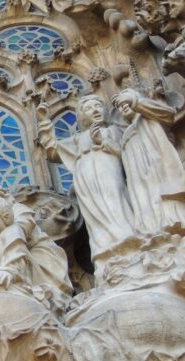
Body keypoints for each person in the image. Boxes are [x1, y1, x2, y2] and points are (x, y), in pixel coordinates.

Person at [37, 97, 135, 260]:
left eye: (98, 106)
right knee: (94, 211)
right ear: (81, 117)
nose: (95, 110)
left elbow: (128, 154)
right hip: (84, 175)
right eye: (89, 108)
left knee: (115, 201)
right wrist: (44, 121)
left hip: (108, 169)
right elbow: (52, 151)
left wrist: (103, 141)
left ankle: (126, 238)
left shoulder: (114, 130)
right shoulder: (79, 137)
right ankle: (104, 248)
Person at [0, 177, 72, 297]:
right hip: (0, 270)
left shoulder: (16, 209)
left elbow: (20, 228)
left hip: (36, 260)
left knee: (10, 230)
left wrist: (9, 269)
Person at [112, 88, 185, 234]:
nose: (123, 105)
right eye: (119, 106)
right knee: (146, 204)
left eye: (127, 94)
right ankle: (151, 232)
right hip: (139, 180)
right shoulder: (125, 134)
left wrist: (135, 101)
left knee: (165, 203)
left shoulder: (149, 116)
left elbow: (168, 114)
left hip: (159, 172)